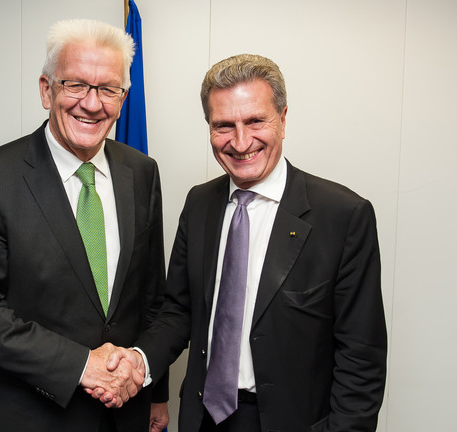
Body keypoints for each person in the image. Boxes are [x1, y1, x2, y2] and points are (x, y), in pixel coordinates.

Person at [102, 54, 387, 431]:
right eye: (224, 126)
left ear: (282, 120)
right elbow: (178, 312)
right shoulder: (200, 202)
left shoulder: (343, 216)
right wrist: (140, 360)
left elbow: (361, 359)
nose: (240, 142)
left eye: (255, 121)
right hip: (203, 418)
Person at [0, 19, 169, 432]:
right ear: (47, 90)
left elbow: (152, 296)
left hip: (127, 415)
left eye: (108, 89)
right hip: (33, 418)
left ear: (123, 97)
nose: (92, 103)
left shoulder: (142, 172)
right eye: (76, 85)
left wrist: (157, 393)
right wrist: (83, 365)